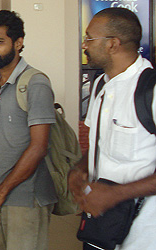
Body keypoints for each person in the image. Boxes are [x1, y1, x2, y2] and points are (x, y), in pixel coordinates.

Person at [69, 8, 156, 250]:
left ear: (112, 44)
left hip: (142, 236)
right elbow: (100, 146)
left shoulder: (149, 90)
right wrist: (79, 169)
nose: (84, 45)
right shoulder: (99, 86)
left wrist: (115, 194)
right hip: (100, 228)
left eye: (89, 38)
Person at [0, 10, 57, 250]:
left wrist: (3, 191)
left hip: (26, 197)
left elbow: (38, 147)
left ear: (18, 43)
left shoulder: (35, 83)